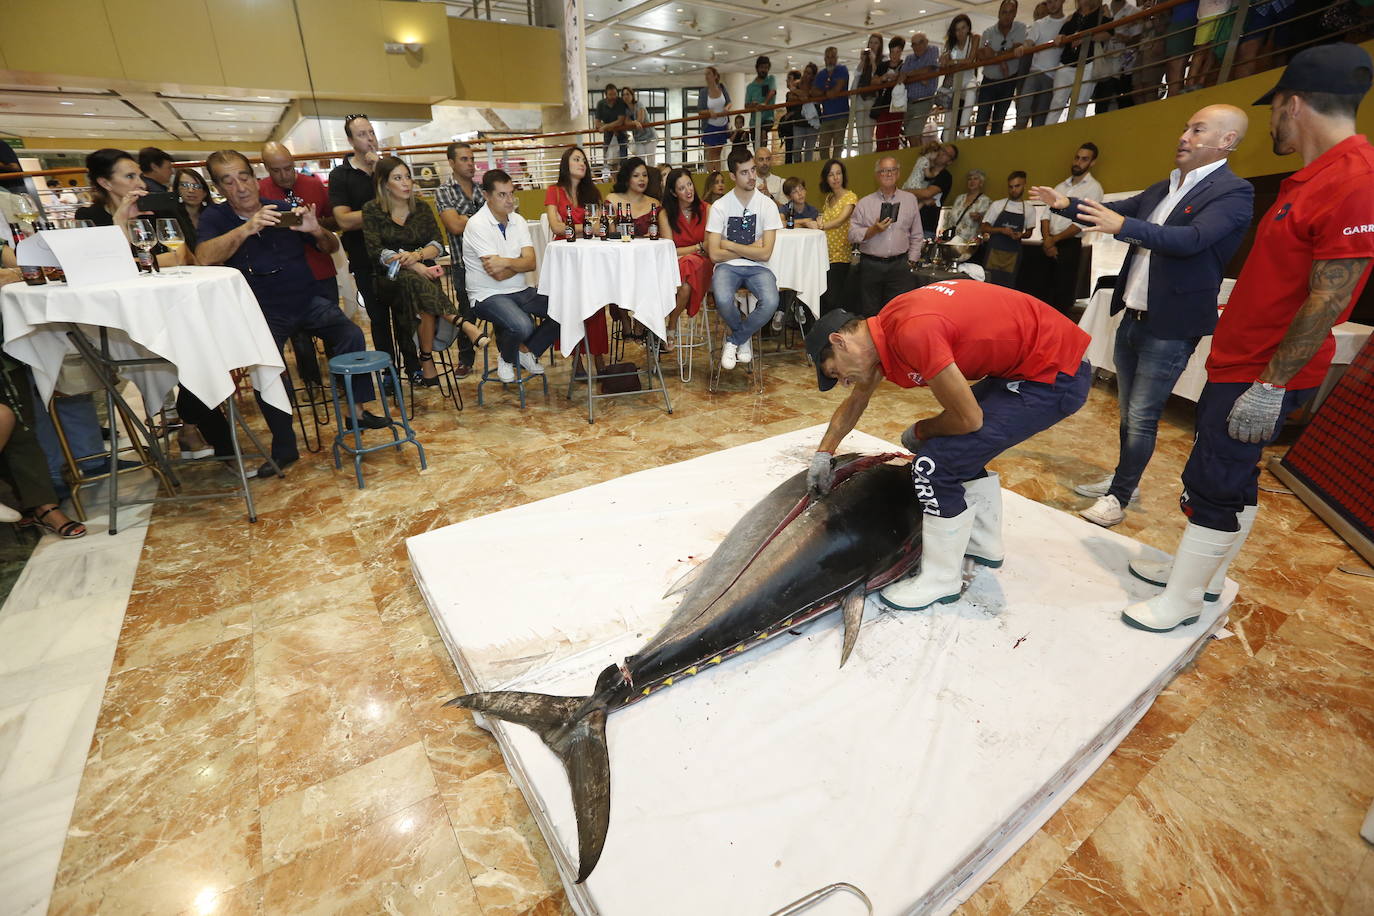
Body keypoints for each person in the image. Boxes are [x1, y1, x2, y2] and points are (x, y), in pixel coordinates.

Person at [1121, 45, 1374, 632]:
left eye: (1275, 108)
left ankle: (1182, 601)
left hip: (1260, 372)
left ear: (1295, 104)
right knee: (1231, 476)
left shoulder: (1354, 179)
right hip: (1244, 362)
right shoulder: (1312, 179)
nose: (1272, 121)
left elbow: (1331, 295)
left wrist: (1270, 385)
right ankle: (1201, 579)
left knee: (1216, 480)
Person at [803, 280, 1092, 611]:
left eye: (836, 372)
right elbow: (857, 400)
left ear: (840, 342)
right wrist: (824, 453)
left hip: (1054, 374)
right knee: (957, 448)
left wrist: (923, 430)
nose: (844, 381)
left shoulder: (912, 332)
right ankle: (983, 543)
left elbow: (969, 420)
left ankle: (941, 579)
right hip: (1033, 364)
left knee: (933, 467)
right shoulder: (885, 330)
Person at [1035, 106, 1254, 528]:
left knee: (1142, 415)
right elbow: (1113, 210)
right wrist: (1064, 204)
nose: (1184, 136)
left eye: (1197, 129)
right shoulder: (1165, 186)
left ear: (1227, 140)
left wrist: (1123, 227)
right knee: (1128, 412)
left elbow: (1190, 240)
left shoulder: (1233, 192)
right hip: (1134, 316)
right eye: (1185, 126)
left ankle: (1119, 496)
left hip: (1171, 326)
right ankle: (1125, 480)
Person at [198, 149, 388, 477]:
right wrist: (246, 228)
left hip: (305, 298)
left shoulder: (283, 209)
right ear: (219, 188)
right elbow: (203, 257)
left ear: (255, 179)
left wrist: (315, 230)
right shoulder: (216, 219)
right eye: (228, 182)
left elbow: (330, 247)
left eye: (243, 177)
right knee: (267, 365)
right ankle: (284, 444)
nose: (239, 187)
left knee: (351, 333)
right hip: (260, 310)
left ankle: (357, 411)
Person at [362, 157, 486, 388]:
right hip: (388, 278)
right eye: (398, 178)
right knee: (414, 280)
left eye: (407, 176)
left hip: (423, 275)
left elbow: (438, 245)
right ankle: (462, 323)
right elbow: (376, 251)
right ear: (385, 184)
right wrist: (412, 265)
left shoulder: (421, 207)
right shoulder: (372, 210)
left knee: (421, 294)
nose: (406, 183)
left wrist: (418, 257)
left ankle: (425, 358)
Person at [330, 115, 412, 382]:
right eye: (362, 134)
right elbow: (343, 219)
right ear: (351, 141)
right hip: (365, 258)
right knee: (378, 320)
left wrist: (382, 174)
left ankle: (414, 368)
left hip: (399, 255)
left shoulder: (388, 169)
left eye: (372, 133)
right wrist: (384, 210)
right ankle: (388, 374)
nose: (370, 139)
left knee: (405, 316)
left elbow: (407, 206)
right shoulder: (340, 175)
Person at [463, 169, 560, 383]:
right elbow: (496, 275)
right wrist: (519, 263)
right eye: (501, 194)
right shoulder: (477, 224)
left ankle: (527, 351)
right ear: (486, 195)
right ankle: (506, 359)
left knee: (565, 309)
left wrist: (505, 261)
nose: (509, 200)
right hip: (486, 294)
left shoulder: (518, 220)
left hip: (520, 290)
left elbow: (531, 262)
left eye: (511, 193)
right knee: (523, 325)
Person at [706, 147, 783, 370]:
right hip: (726, 267)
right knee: (721, 299)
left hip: (759, 267)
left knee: (771, 301)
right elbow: (714, 254)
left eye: (752, 170)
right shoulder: (720, 206)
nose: (751, 177)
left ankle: (736, 339)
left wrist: (728, 244)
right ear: (732, 176)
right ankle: (744, 337)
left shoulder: (767, 204)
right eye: (744, 172)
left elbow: (766, 253)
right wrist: (749, 248)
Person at [543, 146, 610, 375]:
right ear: (566, 164)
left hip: (590, 254)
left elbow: (601, 226)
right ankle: (576, 359)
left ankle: (599, 357)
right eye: (576, 159)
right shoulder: (554, 191)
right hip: (566, 257)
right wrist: (587, 227)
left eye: (584, 160)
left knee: (596, 305)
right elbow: (556, 226)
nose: (582, 163)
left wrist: (579, 228)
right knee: (572, 305)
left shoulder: (592, 193)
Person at [435, 141, 487, 376]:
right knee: (467, 311)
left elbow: (495, 221)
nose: (470, 164)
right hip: (462, 263)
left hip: (488, 259)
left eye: (472, 159)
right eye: (464, 159)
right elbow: (454, 226)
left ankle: (511, 354)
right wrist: (477, 218)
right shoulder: (444, 191)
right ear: (451, 163)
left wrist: (466, 217)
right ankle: (465, 359)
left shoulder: (482, 189)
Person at [848, 156, 924, 316]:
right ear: (877, 175)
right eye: (883, 171)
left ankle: (893, 342)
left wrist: (912, 260)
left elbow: (917, 234)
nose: (888, 174)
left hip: (900, 266)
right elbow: (852, 235)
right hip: (871, 266)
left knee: (898, 312)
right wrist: (873, 230)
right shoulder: (864, 203)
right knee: (870, 312)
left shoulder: (910, 200)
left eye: (892, 170)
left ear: (898, 173)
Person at [1038, 142, 1103, 314]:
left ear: (1092, 163)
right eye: (1077, 158)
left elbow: (1082, 222)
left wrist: (1054, 240)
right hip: (1048, 242)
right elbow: (1045, 215)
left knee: (1062, 295)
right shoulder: (1060, 186)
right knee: (1043, 292)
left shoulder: (1094, 188)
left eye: (1084, 159)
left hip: (1069, 245)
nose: (1078, 162)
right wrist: (1047, 240)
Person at [659, 168, 713, 332]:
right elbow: (669, 250)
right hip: (674, 264)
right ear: (674, 193)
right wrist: (697, 247)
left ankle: (671, 323)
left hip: (704, 263)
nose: (688, 190)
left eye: (689, 184)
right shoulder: (665, 214)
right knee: (686, 283)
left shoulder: (707, 209)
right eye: (682, 188)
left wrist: (685, 250)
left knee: (689, 264)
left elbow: (709, 245)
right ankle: (669, 324)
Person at [975, 0, 1032, 137]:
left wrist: (995, 55)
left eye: (1010, 12)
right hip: (989, 80)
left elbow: (1015, 50)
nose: (1007, 16)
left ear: (1015, 14)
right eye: (1004, 12)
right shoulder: (988, 32)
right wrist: (1003, 58)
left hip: (1008, 81)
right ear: (999, 13)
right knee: (981, 119)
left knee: (999, 120)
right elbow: (981, 54)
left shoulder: (1020, 28)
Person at [1053, 0, 1113, 122]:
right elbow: (1062, 35)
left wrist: (1086, 37)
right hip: (1067, 63)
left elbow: (1108, 33)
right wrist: (1062, 37)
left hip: (1088, 62)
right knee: (1057, 102)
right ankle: (1048, 133)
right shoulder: (1073, 16)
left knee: (1080, 103)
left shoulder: (1102, 12)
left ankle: (1073, 132)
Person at [979, 171, 1039, 287]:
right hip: (993, 253)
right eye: (1010, 187)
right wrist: (1001, 230)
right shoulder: (997, 205)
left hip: (1013, 255)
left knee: (1007, 287)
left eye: (1017, 186)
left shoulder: (1029, 209)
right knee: (988, 284)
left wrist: (1020, 235)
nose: (1013, 190)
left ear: (1024, 185)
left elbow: (1029, 233)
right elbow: (984, 228)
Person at [817, 159, 858, 316]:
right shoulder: (828, 198)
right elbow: (824, 218)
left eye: (838, 173)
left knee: (833, 299)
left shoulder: (850, 197)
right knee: (824, 297)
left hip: (840, 255)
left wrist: (821, 225)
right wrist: (819, 220)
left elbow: (840, 220)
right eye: (831, 174)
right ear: (826, 179)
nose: (835, 178)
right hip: (824, 255)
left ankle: (835, 331)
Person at [1024, 0, 1069, 127]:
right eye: (1049, 2)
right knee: (1024, 106)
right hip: (1035, 71)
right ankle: (1018, 132)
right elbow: (1029, 42)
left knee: (1041, 116)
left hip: (1052, 76)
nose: (1052, 4)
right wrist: (1023, 47)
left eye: (1055, 1)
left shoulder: (1068, 22)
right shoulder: (1039, 24)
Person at [902, 141, 959, 239]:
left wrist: (906, 192)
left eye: (946, 154)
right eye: (942, 150)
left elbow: (927, 194)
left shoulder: (945, 176)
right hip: (908, 225)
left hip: (925, 227)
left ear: (950, 161)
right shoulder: (924, 169)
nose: (941, 153)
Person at [1094, 0, 1141, 112]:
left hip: (1125, 66)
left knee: (1125, 103)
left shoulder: (1133, 11)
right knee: (1102, 104)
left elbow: (1138, 39)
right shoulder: (1103, 10)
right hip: (1105, 65)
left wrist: (1125, 39)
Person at [940, 15, 981, 136]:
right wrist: (945, 59)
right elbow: (944, 62)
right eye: (957, 29)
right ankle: (947, 136)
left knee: (971, 90)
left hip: (968, 78)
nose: (960, 32)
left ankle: (962, 130)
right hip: (954, 81)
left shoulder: (974, 39)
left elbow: (970, 60)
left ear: (968, 28)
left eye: (963, 28)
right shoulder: (950, 43)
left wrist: (953, 62)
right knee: (949, 118)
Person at [901, 33, 942, 147]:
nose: (917, 46)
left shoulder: (933, 50)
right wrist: (919, 75)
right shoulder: (909, 58)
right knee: (910, 133)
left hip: (924, 99)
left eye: (921, 42)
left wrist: (911, 75)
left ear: (926, 42)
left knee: (913, 132)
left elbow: (928, 70)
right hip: (909, 101)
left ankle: (919, 158)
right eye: (914, 44)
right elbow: (903, 75)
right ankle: (921, 157)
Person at [814, 47, 851, 163]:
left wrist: (825, 92)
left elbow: (837, 90)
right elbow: (814, 91)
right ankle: (828, 168)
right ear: (825, 59)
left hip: (841, 114)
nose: (830, 60)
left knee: (838, 145)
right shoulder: (821, 74)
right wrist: (826, 93)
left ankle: (836, 167)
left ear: (836, 58)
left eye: (832, 57)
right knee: (823, 146)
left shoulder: (842, 70)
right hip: (826, 116)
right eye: (828, 57)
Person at [871, 37, 907, 153]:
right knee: (880, 135)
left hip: (897, 106)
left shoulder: (904, 66)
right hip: (883, 105)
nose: (894, 55)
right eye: (892, 52)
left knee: (893, 135)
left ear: (901, 52)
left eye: (897, 52)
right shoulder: (883, 66)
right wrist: (884, 77)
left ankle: (892, 160)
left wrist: (899, 77)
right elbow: (873, 81)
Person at [1163, 0, 1199, 98]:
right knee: (1173, 71)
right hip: (1181, 19)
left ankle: (1175, 102)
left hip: (1185, 19)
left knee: (1175, 70)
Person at [943, 169, 991, 242]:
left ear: (981, 183)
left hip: (970, 241)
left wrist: (979, 218)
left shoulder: (985, 201)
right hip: (952, 238)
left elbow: (987, 225)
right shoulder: (959, 198)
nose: (972, 181)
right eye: (969, 179)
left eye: (975, 179)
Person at [698, 67, 731, 175]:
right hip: (710, 126)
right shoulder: (703, 92)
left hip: (722, 125)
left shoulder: (722, 87)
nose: (706, 77)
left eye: (709, 74)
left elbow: (729, 102)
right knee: (710, 154)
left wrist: (726, 108)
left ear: (715, 76)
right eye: (705, 74)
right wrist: (709, 112)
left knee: (717, 153)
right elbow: (700, 111)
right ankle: (711, 176)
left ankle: (718, 175)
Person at [744, 56, 778, 150]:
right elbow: (746, 106)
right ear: (757, 68)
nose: (764, 70)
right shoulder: (750, 87)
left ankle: (764, 154)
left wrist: (765, 103)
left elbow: (772, 91)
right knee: (756, 146)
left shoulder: (771, 79)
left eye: (766, 68)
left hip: (767, 117)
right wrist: (753, 105)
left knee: (763, 132)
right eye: (762, 67)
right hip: (754, 122)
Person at [595, 84, 630, 175]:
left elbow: (620, 120)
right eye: (610, 94)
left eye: (615, 94)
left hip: (621, 133)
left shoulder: (620, 102)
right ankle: (611, 179)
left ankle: (623, 177)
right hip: (608, 134)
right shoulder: (601, 104)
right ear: (606, 95)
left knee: (623, 158)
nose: (613, 97)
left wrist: (606, 127)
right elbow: (597, 123)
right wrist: (610, 128)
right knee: (608, 158)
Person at [853, 44, 880, 155]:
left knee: (868, 133)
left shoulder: (878, 64)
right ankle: (861, 155)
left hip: (871, 99)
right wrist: (863, 60)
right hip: (860, 99)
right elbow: (856, 74)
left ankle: (867, 155)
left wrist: (873, 60)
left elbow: (876, 75)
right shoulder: (862, 67)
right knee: (860, 131)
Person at [794, 62, 822, 163]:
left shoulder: (816, 87)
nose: (806, 75)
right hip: (799, 121)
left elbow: (808, 96)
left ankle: (807, 168)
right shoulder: (797, 85)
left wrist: (802, 94)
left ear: (813, 75)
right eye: (805, 72)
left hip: (812, 123)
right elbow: (792, 96)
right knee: (796, 148)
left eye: (809, 73)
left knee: (809, 150)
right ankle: (797, 166)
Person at [621, 87, 657, 166]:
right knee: (640, 160)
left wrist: (634, 122)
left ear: (632, 95)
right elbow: (626, 122)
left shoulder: (639, 104)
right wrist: (635, 123)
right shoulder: (625, 109)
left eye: (628, 94)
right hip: (638, 138)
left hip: (649, 136)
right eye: (623, 95)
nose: (626, 97)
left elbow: (641, 119)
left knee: (651, 160)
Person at [175, 168, 212, 234]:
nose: (191, 190)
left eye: (196, 186)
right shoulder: (172, 216)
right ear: (178, 190)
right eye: (185, 185)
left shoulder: (213, 215)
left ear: (204, 193)